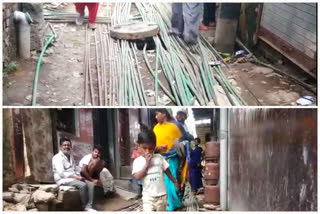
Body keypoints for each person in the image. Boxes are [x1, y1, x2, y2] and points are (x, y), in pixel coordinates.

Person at [132, 128, 180, 211]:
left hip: (162, 196)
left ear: (154, 147)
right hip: (148, 197)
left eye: (150, 149)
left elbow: (167, 170)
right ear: (138, 146)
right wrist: (147, 164)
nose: (147, 151)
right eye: (144, 148)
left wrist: (174, 181)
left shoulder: (159, 158)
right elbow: (137, 176)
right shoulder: (138, 161)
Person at [52, 137, 96, 212]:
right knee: (83, 185)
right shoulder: (57, 158)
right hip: (63, 179)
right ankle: (84, 206)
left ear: (70, 146)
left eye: (68, 145)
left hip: (73, 177)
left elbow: (75, 169)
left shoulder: (70, 156)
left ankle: (89, 205)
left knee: (91, 184)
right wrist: (76, 178)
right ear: (60, 146)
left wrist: (81, 175)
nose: (67, 147)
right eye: (64, 145)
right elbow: (61, 173)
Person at [153, 109, 183, 211]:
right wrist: (158, 148)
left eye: (157, 114)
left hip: (172, 158)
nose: (155, 117)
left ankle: (172, 205)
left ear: (164, 114)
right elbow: (154, 144)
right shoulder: (155, 128)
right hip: (160, 158)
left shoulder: (173, 127)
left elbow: (180, 144)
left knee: (172, 179)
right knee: (164, 181)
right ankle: (172, 204)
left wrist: (171, 149)